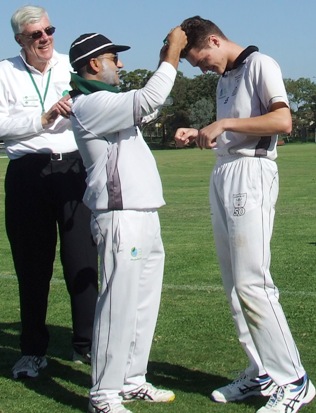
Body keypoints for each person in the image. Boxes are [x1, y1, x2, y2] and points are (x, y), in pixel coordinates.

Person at [174, 15, 315, 413]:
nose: (201, 67)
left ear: (215, 41)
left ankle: (295, 380)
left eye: (200, 59)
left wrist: (225, 122)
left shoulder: (260, 64)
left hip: (252, 173)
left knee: (253, 281)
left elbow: (282, 120)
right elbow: (233, 129)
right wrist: (203, 131)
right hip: (225, 171)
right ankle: (262, 371)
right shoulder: (225, 78)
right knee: (234, 284)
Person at [68, 28, 187, 413]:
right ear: (93, 64)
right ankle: (103, 393)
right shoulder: (90, 105)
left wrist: (163, 62)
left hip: (144, 212)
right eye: (113, 58)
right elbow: (150, 97)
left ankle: (133, 380)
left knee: (142, 305)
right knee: (118, 304)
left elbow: (147, 104)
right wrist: (172, 53)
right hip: (120, 217)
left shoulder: (110, 100)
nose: (120, 64)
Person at [0, 5, 98, 379]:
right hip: (27, 173)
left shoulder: (71, 66)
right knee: (32, 265)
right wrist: (42, 118)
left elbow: (100, 101)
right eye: (35, 35)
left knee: (82, 262)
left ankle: (86, 347)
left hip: (74, 170)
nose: (45, 38)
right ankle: (32, 351)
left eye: (48, 30)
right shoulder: (4, 72)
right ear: (19, 40)